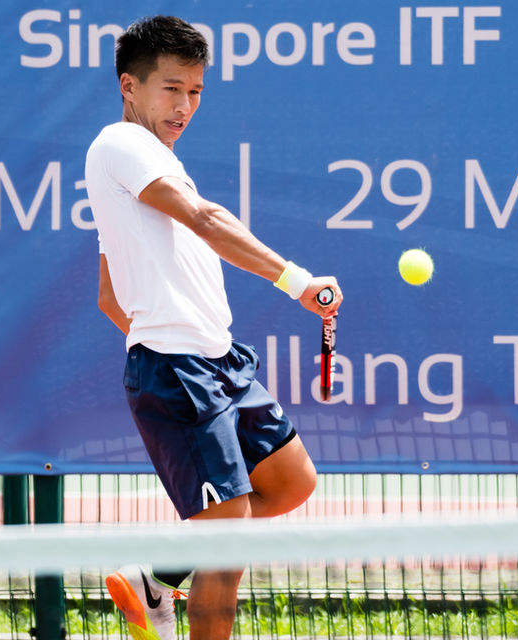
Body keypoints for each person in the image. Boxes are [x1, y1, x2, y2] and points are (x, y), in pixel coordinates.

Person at [84, 15, 342, 640]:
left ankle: (156, 579)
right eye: (171, 89)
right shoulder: (120, 145)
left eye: (195, 91)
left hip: (218, 361)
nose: (184, 106)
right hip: (178, 372)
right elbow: (203, 218)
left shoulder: (156, 161)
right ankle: (168, 596)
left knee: (290, 483)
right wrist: (296, 281)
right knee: (226, 549)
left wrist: (168, 328)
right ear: (129, 86)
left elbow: (108, 295)